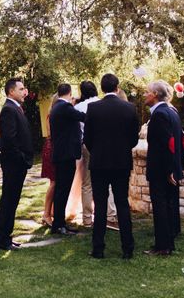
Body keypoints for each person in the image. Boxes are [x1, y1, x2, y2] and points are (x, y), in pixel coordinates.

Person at [83, 73, 140, 259]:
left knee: (100, 206)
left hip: (99, 163)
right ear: (117, 88)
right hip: (122, 163)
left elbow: (88, 139)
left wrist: (97, 152)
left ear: (102, 88)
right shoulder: (130, 108)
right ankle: (127, 248)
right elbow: (133, 138)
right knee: (122, 203)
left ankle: (98, 248)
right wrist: (122, 150)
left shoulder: (93, 108)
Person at [143, 80, 184, 256]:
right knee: (168, 205)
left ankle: (163, 246)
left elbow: (169, 144)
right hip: (170, 168)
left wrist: (169, 171)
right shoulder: (172, 112)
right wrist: (178, 168)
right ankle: (168, 242)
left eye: (147, 92)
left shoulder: (160, 114)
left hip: (161, 170)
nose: (144, 95)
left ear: (155, 95)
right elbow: (182, 143)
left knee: (160, 206)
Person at [0, 78, 33, 251]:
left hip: (17, 162)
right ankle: (2, 240)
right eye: (21, 89)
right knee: (9, 200)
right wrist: (21, 157)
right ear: (11, 92)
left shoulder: (15, 108)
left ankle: (6, 238)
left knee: (12, 200)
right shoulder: (9, 109)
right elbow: (9, 139)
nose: (25, 92)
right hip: (14, 163)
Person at [75, 81, 119, 229]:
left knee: (87, 183)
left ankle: (87, 219)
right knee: (107, 181)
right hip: (104, 146)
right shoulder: (102, 104)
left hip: (86, 146)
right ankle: (110, 215)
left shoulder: (78, 107)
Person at [49, 84, 86, 235]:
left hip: (61, 154)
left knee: (61, 189)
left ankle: (59, 222)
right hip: (66, 155)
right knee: (62, 190)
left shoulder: (57, 107)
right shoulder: (65, 108)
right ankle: (58, 224)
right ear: (70, 93)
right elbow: (84, 117)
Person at [40, 94, 59, 226]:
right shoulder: (52, 115)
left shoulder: (52, 114)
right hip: (52, 148)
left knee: (55, 182)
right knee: (54, 182)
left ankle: (50, 212)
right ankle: (46, 214)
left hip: (50, 147)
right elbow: (53, 134)